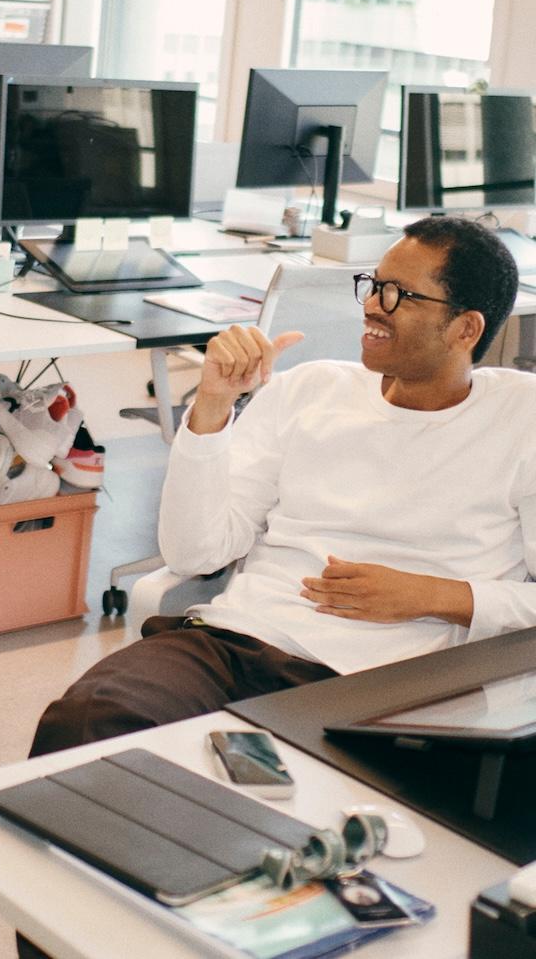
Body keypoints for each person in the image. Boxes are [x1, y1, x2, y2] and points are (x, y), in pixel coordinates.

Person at [30, 216, 534, 757]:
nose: (372, 306)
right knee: (86, 722)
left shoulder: (520, 419)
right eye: (373, 284)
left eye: (399, 295)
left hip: (386, 682)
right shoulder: (308, 389)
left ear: (465, 329)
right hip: (236, 644)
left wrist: (435, 596)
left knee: (293, 800)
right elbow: (195, 552)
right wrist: (213, 407)